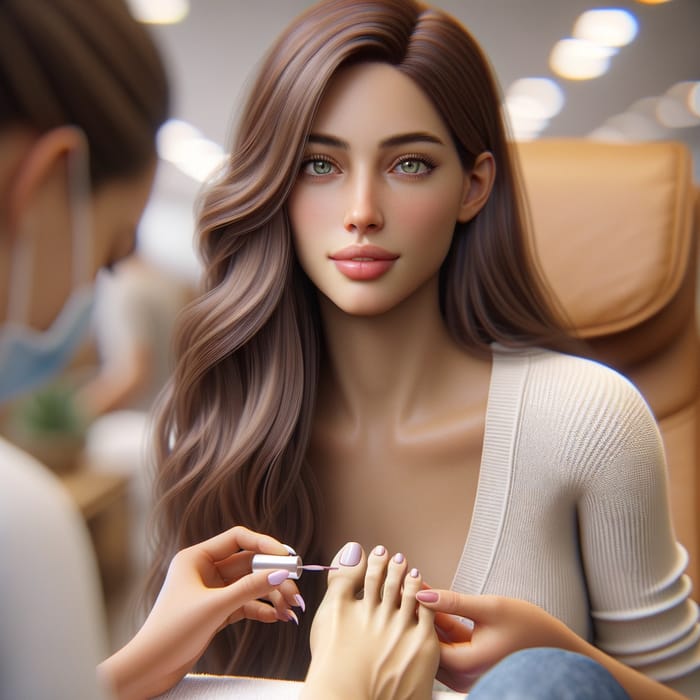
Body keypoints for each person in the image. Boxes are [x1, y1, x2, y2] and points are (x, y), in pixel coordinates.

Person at [143, 0, 700, 697]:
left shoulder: (587, 420)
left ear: (474, 186)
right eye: (320, 165)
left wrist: (557, 652)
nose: (362, 210)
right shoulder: (210, 426)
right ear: (275, 187)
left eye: (409, 163)